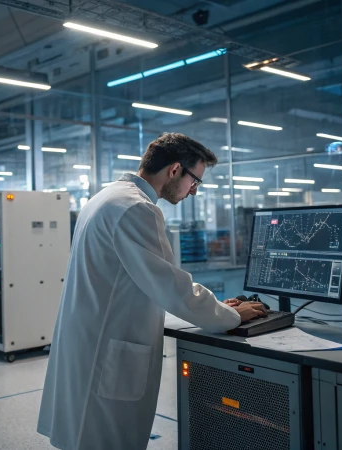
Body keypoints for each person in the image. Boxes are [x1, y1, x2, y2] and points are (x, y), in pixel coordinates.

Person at [37, 132, 267, 449]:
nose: (194, 191)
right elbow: (172, 286)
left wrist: (215, 305)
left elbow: (142, 279)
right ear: (175, 170)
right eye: (194, 180)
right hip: (105, 353)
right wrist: (229, 315)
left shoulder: (106, 198)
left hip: (90, 339)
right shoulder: (136, 209)